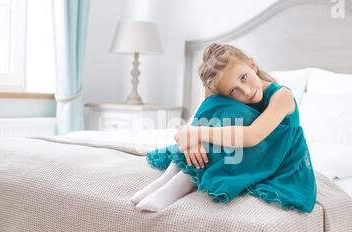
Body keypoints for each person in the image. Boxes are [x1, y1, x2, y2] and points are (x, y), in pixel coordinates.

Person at [130, 43, 317, 213]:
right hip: (244, 150)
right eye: (233, 91)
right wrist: (191, 140)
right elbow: (187, 130)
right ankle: (168, 178)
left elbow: (252, 136)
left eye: (244, 77)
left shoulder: (282, 95)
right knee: (214, 105)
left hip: (275, 156)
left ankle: (183, 181)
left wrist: (196, 133)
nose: (245, 91)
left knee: (223, 129)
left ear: (252, 65)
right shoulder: (232, 101)